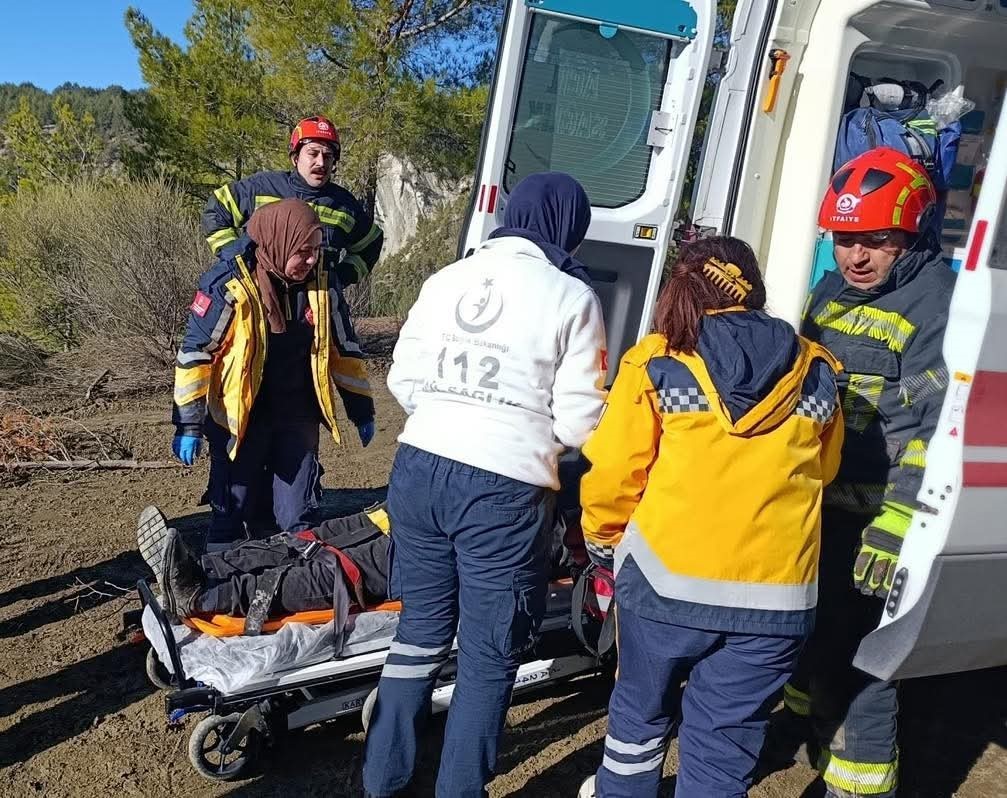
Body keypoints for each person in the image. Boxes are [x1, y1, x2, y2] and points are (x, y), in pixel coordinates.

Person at [361, 172, 608, 798]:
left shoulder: (445, 278)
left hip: (420, 465)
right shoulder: (571, 296)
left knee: (419, 632)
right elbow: (581, 421)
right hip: (503, 487)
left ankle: (383, 779)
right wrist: (529, 436)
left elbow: (403, 380)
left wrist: (454, 414)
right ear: (567, 229)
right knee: (488, 652)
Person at [576, 235, 845, 798]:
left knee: (638, 723)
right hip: (777, 600)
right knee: (724, 751)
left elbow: (616, 473)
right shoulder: (816, 369)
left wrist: (602, 540)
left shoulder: (658, 360)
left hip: (664, 586)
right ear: (754, 288)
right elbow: (824, 471)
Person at [767, 147, 955, 798]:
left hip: (879, 521)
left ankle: (859, 785)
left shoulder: (936, 304)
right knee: (810, 631)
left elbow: (933, 430)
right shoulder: (829, 292)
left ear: (913, 233)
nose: (856, 256)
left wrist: (896, 525)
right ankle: (800, 726)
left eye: (876, 240)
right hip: (820, 509)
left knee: (862, 661)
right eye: (845, 240)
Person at [172, 199, 375, 552]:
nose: (311, 260)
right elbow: (196, 354)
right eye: (303, 252)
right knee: (233, 510)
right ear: (277, 244)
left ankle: (297, 576)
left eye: (316, 250)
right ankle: (215, 574)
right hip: (241, 418)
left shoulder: (323, 284)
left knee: (298, 516)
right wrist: (188, 425)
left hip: (298, 413)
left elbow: (343, 348)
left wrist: (361, 410)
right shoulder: (229, 285)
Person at [202, 115, 384, 290]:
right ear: (295, 158)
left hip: (315, 304)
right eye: (313, 153)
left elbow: (371, 243)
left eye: (328, 156)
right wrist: (236, 257)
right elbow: (216, 210)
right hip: (262, 299)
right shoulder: (262, 188)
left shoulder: (344, 206)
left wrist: (340, 277)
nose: (321, 162)